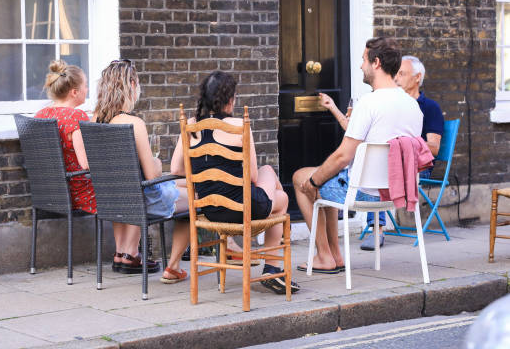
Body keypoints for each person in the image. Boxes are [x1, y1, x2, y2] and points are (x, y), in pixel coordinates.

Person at [293, 37, 423, 273]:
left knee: (303, 178)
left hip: (364, 193)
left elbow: (343, 156)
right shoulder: (412, 105)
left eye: (363, 60)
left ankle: (324, 256)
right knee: (325, 177)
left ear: (376, 63)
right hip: (396, 192)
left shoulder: (368, 103)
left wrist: (312, 182)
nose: (360, 66)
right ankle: (336, 256)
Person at [170, 71, 300, 294]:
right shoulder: (240, 125)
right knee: (278, 189)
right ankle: (271, 268)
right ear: (229, 99)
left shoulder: (190, 125)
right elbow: (252, 178)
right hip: (243, 208)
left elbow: (176, 169)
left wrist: (207, 171)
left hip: (211, 211)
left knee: (275, 193)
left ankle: (269, 265)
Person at [319, 55, 445, 250]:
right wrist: (334, 108)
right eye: (396, 74)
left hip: (414, 168)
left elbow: (434, 148)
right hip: (385, 168)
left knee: (375, 167)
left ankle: (376, 229)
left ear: (417, 77)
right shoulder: (386, 103)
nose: (396, 79)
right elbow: (355, 133)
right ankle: (375, 227)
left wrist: (399, 146)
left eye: (402, 74)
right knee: (376, 165)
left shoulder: (429, 107)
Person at [93, 59, 190, 283]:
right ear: (132, 85)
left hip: (113, 199)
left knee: (179, 184)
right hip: (143, 200)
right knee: (197, 197)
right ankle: (173, 266)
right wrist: (156, 163)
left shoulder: (96, 119)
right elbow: (152, 176)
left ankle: (124, 253)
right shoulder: (133, 123)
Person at [35, 59, 96, 215]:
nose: (87, 89)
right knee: (129, 193)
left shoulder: (41, 115)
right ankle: (131, 240)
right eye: (85, 85)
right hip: (79, 194)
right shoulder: (77, 117)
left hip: (49, 194)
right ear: (74, 92)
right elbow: (85, 164)